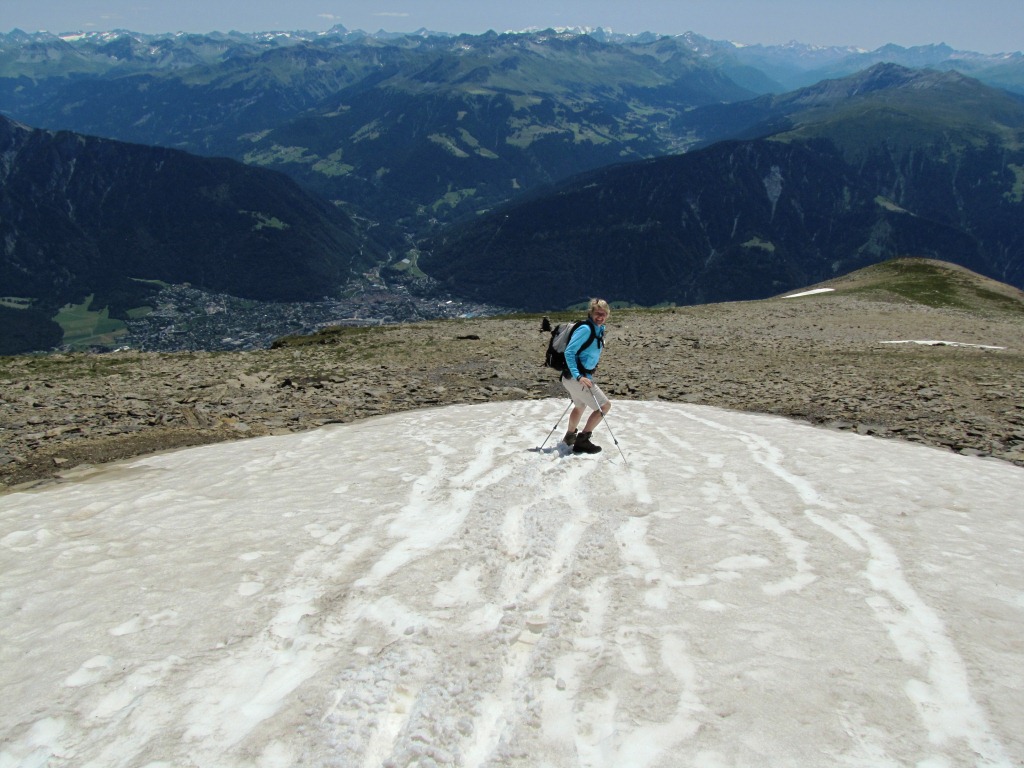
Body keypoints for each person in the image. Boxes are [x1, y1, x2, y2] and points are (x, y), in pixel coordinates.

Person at [561, 299, 612, 454]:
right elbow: (569, 352)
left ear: (607, 315)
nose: (600, 317)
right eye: (597, 313)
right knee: (604, 406)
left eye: (603, 314)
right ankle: (583, 440)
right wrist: (578, 376)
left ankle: (570, 437)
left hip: (572, 377)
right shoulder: (586, 329)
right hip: (577, 378)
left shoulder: (599, 329)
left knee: (580, 406)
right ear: (591, 313)